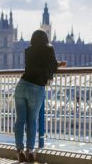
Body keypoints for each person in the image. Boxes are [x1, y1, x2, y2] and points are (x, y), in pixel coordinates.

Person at [14, 30, 65, 162]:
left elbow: (33, 65)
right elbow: (52, 66)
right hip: (36, 88)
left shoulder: (28, 50)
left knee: (20, 120)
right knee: (31, 121)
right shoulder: (49, 49)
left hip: (22, 85)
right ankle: (30, 151)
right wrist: (58, 64)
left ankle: (19, 151)